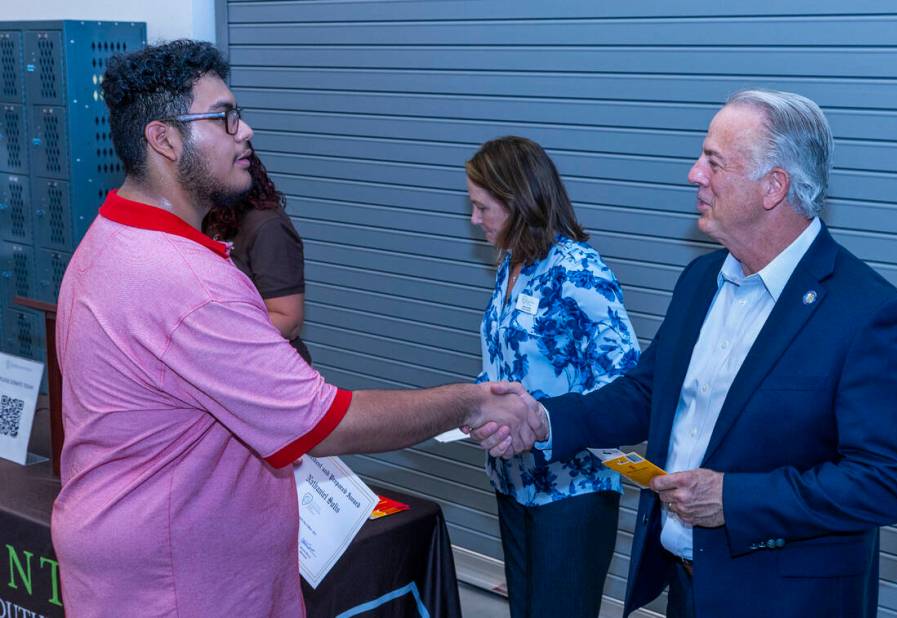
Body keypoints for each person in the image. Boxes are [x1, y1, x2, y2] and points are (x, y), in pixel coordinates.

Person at [51, 40, 545, 617]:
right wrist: (469, 402)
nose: (246, 131)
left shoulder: (113, 236)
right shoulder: (184, 280)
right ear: (163, 139)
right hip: (180, 588)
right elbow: (326, 422)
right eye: (225, 117)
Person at [478, 90, 897, 618]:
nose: (694, 175)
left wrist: (734, 499)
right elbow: (646, 392)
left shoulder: (867, 313)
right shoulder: (700, 281)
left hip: (788, 601)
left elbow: (888, 480)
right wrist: (544, 417)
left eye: (713, 162)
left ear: (773, 186)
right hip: (688, 587)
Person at [466, 136, 640, 618]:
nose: (474, 219)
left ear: (517, 201)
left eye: (482, 207)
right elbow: (508, 362)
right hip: (513, 482)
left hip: (572, 490)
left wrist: (541, 418)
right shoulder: (510, 265)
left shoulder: (579, 270)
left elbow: (624, 384)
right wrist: (477, 406)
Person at [203, 151, 312, 364]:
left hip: (269, 368)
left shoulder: (267, 227)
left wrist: (213, 334)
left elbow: (289, 321)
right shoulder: (205, 216)